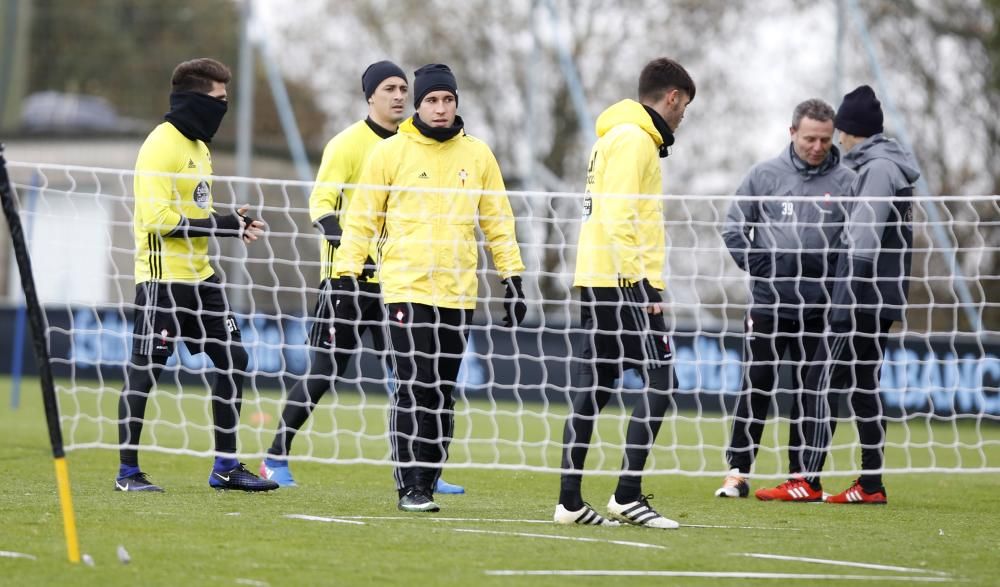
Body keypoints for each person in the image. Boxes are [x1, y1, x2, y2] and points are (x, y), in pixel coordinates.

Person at [258, 62, 464, 495]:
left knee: (412, 378)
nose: (398, 96)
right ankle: (274, 456)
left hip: (399, 283)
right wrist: (348, 241)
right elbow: (321, 203)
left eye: (403, 88)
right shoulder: (347, 144)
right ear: (370, 96)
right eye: (389, 88)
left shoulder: (415, 145)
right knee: (326, 371)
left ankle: (422, 472)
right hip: (347, 281)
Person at [333, 63, 525, 513]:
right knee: (413, 386)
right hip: (405, 288)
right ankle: (411, 487)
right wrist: (345, 273)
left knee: (442, 392)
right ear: (419, 105)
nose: (440, 108)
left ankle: (430, 478)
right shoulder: (390, 153)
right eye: (432, 100)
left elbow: (499, 223)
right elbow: (361, 220)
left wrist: (512, 278)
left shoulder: (479, 156)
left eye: (448, 99)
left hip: (459, 294)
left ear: (457, 103)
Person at [116, 58, 276, 492]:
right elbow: (158, 219)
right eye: (218, 100)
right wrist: (222, 223)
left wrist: (233, 221)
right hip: (163, 279)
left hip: (202, 277)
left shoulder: (200, 148)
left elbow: (197, 213)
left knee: (234, 358)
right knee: (146, 369)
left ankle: (226, 466)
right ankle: (128, 473)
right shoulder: (160, 146)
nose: (223, 109)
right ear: (192, 100)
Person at [755, 84, 920, 504]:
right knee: (863, 385)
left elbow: (863, 239)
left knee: (818, 382)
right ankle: (871, 484)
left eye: (838, 133)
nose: (835, 142)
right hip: (873, 296)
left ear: (848, 130)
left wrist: (845, 302)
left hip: (862, 296)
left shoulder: (878, 168)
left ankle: (807, 480)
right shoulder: (880, 163)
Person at [555, 57, 694, 528]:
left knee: (594, 390)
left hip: (598, 278)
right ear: (672, 97)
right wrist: (641, 283)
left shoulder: (615, 136)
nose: (681, 117)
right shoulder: (635, 139)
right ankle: (627, 495)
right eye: (684, 107)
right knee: (661, 379)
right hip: (622, 284)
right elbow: (617, 218)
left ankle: (570, 502)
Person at [715, 99, 856, 498]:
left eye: (825, 140)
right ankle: (738, 471)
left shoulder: (848, 181)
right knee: (757, 385)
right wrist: (759, 266)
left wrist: (840, 285)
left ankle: (803, 476)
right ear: (792, 133)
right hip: (769, 304)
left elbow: (856, 243)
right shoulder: (764, 175)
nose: (817, 146)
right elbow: (732, 228)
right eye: (810, 138)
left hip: (822, 309)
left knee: (813, 393)